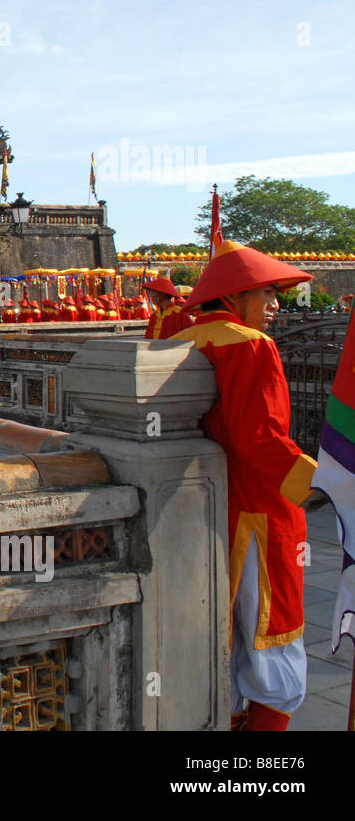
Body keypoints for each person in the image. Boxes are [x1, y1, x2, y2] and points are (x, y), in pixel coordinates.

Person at [170, 242, 317, 730]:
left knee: (222, 637)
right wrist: (325, 482)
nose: (277, 305)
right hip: (259, 507)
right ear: (235, 296)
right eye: (268, 294)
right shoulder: (252, 345)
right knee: (273, 636)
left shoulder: (183, 337)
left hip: (203, 505)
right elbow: (261, 439)